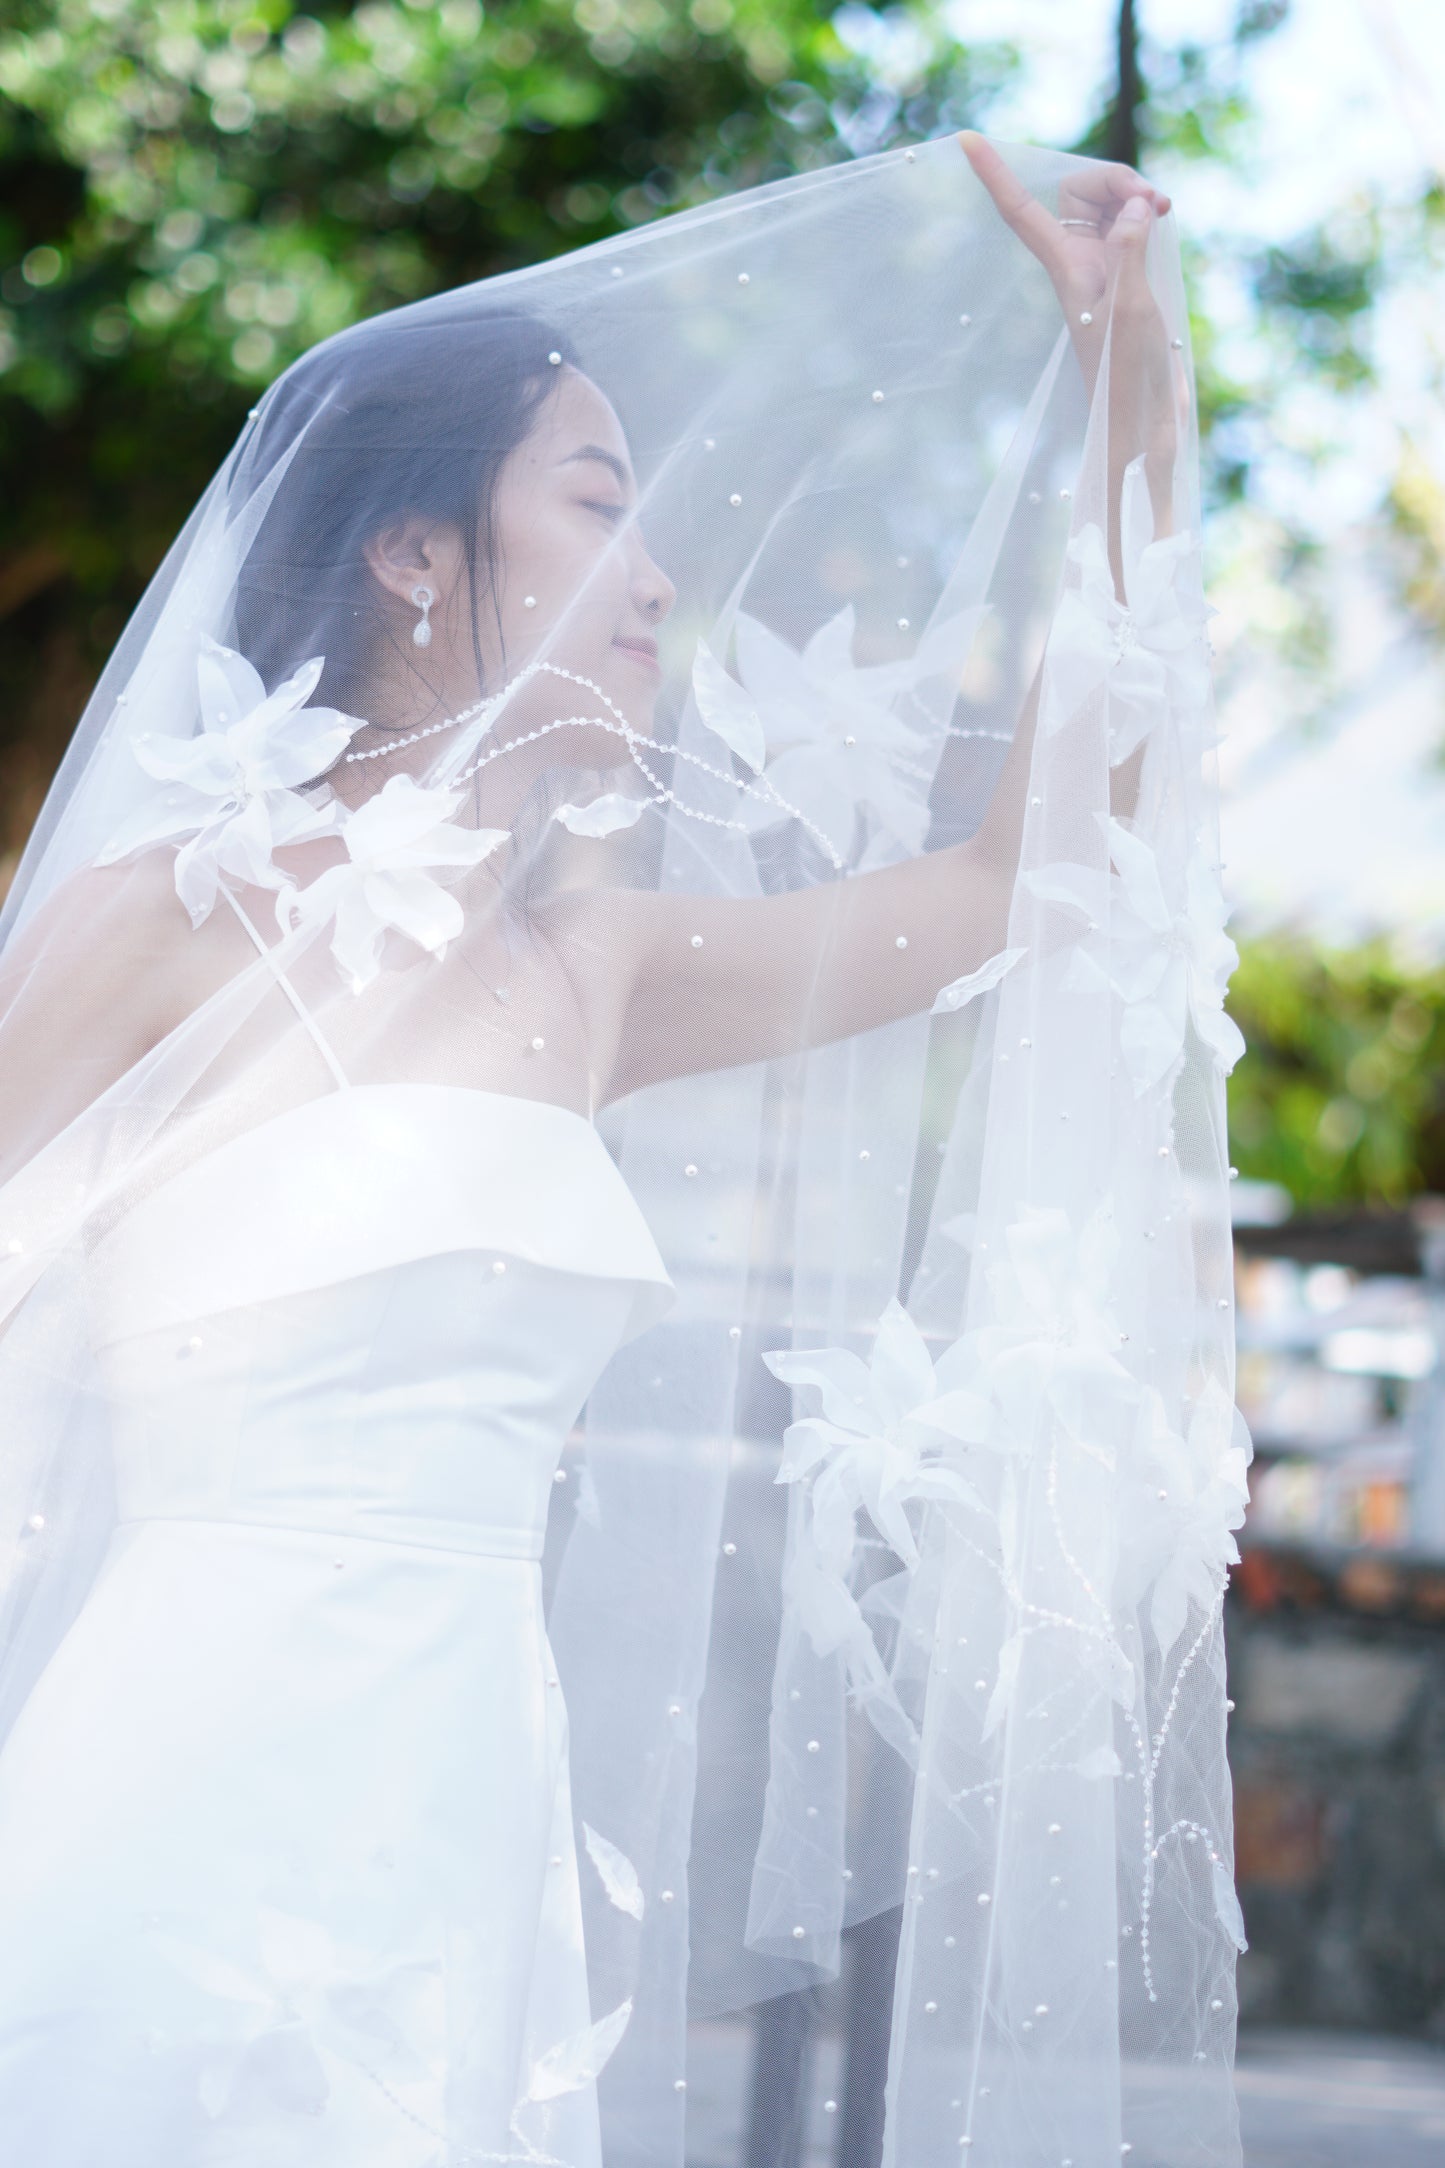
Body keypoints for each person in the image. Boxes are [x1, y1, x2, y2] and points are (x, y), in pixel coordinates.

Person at [0, 131, 1248, 2168]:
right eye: (597, 501)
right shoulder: (167, 910)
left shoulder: (591, 973)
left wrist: (1126, 379)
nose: (659, 564)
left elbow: (1033, 870)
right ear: (414, 554)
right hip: (170, 1784)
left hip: (464, 1822)